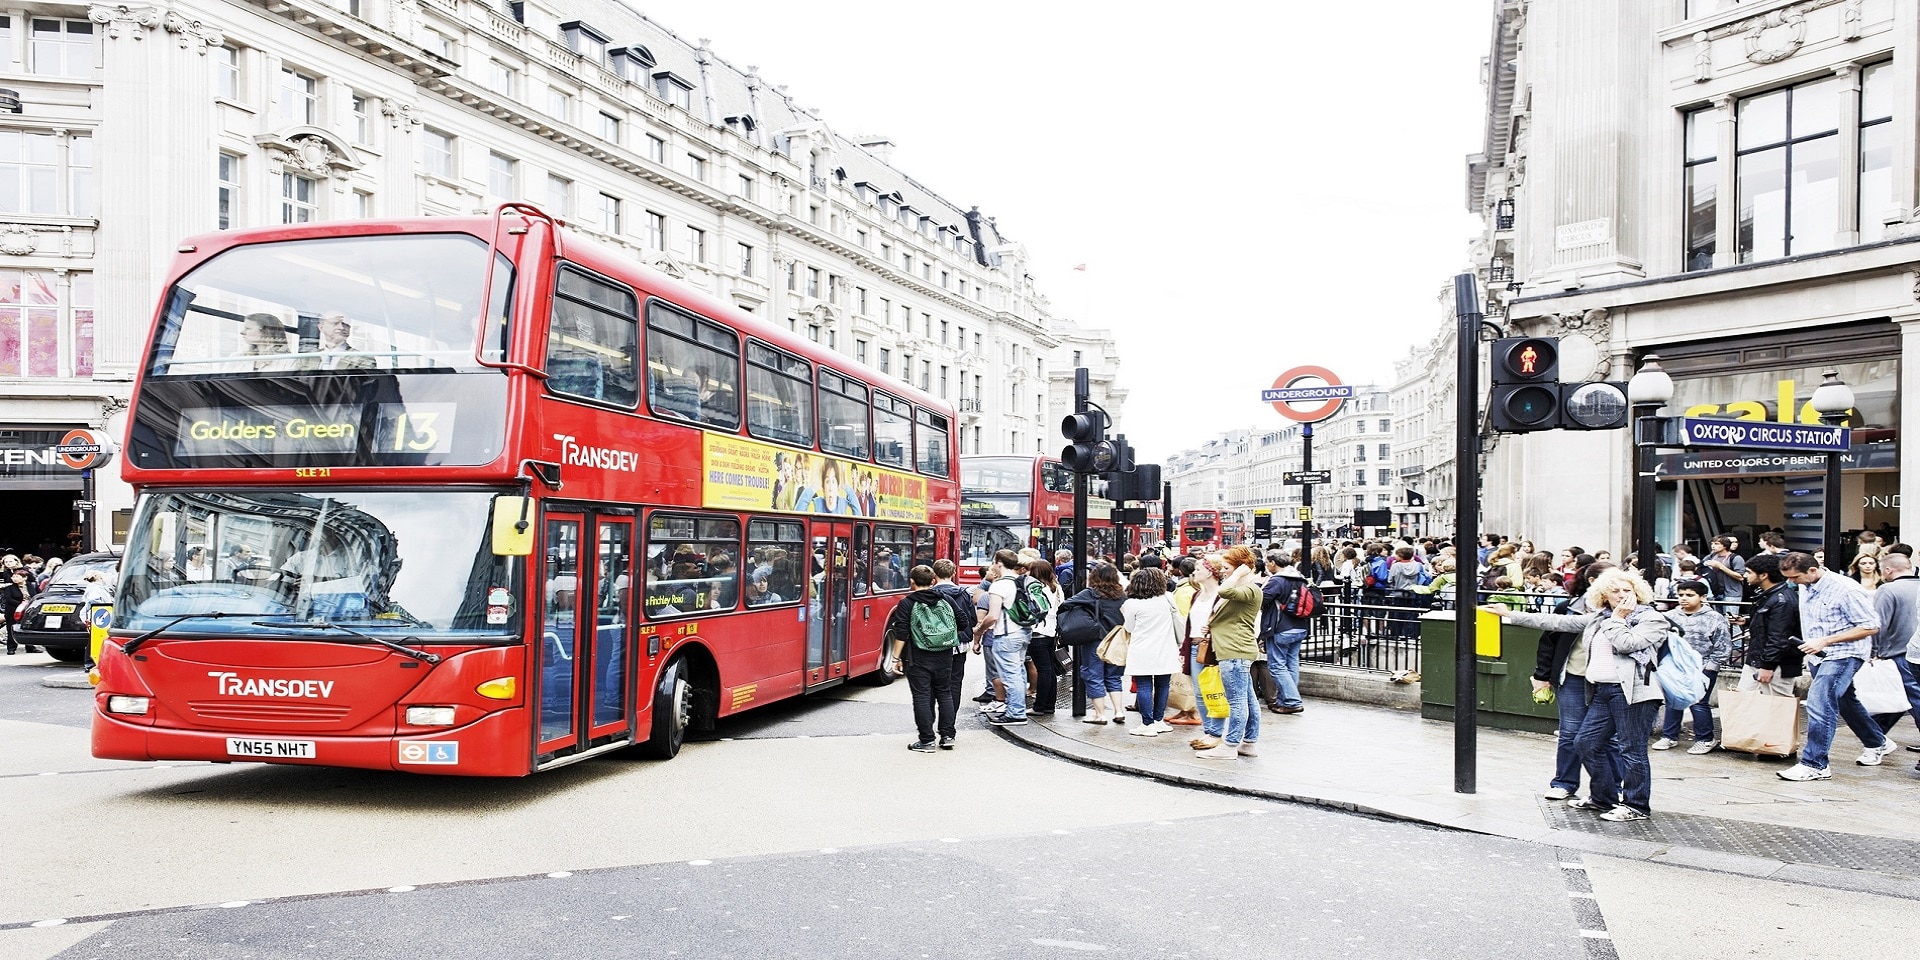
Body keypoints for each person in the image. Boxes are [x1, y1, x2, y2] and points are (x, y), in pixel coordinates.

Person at [1490, 568, 1669, 822]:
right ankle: (1603, 799)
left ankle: (1636, 805)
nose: (1621, 595)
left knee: (1632, 750)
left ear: (1637, 592)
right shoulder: (1599, 618)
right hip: (1601, 690)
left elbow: (1627, 644)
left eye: (1627, 590)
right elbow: (1558, 623)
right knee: (1585, 743)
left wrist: (1618, 618)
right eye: (1615, 591)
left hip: (1633, 693)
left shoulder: (1651, 619)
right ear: (1603, 595)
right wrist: (1510, 615)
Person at [1774, 552, 1897, 782]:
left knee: (1820, 704)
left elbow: (1871, 626)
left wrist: (1825, 641)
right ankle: (1877, 741)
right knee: (1845, 701)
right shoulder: (1805, 584)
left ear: (1812, 570)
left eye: (1795, 577)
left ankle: (1815, 764)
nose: (1791, 582)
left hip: (1845, 654)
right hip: (1817, 655)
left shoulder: (1846, 589)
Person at [885, 565, 962, 753]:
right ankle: (948, 735)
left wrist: (895, 658)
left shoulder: (907, 603)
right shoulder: (946, 599)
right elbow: (963, 621)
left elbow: (901, 633)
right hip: (944, 655)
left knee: (921, 696)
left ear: (912, 582)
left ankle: (927, 741)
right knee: (944, 692)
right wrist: (942, 635)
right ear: (933, 581)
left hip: (917, 656)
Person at [1651, 579, 1733, 755]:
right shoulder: (1671, 616)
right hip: (1674, 666)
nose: (1684, 599)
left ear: (1703, 597)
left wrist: (1710, 667)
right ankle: (1669, 736)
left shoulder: (1714, 618)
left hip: (1703, 666)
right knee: (1673, 700)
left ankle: (1705, 738)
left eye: (1689, 595)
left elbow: (1723, 646)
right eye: (1681, 595)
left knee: (1699, 702)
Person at [1196, 546, 1263, 760]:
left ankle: (1230, 745)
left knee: (1236, 702)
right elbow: (1232, 615)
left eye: (1226, 567)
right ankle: (1249, 743)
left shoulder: (1250, 588)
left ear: (1241, 567)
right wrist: (1213, 626)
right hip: (1235, 649)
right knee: (1248, 701)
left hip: (1234, 651)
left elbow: (1224, 591)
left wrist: (1238, 573)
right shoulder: (1245, 588)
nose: (1223, 571)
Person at [1120, 567, 1182, 737]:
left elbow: (1129, 628)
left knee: (1144, 685)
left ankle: (1147, 724)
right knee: (1163, 685)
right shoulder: (1167, 598)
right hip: (1166, 648)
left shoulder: (1131, 604)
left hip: (1142, 649)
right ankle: (1158, 720)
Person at [1065, 562, 1129, 724]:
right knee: (1114, 676)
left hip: (1096, 640)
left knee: (1093, 675)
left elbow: (1067, 603)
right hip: (1117, 641)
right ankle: (1118, 711)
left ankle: (1099, 715)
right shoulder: (1122, 595)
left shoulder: (1091, 593)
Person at [974, 549, 1030, 727]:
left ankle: (1016, 713)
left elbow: (992, 616)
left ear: (999, 563)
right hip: (1024, 632)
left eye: (993, 562)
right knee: (1019, 673)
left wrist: (979, 631)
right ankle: (1016, 708)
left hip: (1006, 635)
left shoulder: (999, 585)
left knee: (1010, 675)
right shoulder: (1023, 581)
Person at [1868, 552, 1920, 741]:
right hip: (1913, 652)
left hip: (1900, 653)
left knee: (1910, 699)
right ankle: (1875, 738)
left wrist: (1873, 652)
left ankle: (1875, 739)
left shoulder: (1888, 590)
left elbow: (1878, 625)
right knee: (1902, 699)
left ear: (1888, 570)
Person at [1736, 553, 1802, 696]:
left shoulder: (1781, 600)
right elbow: (1771, 625)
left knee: (1777, 707)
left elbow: (1779, 637)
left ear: (1764, 575)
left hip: (1775, 664)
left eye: (1749, 572)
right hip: (1759, 659)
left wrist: (1767, 665)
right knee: (1743, 703)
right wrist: (1747, 620)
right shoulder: (1769, 595)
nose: (1745, 576)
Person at [1260, 552, 1311, 715]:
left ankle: (1292, 701)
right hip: (1300, 626)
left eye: (1268, 562)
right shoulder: (1300, 578)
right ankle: (1285, 701)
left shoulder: (1277, 580)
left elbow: (1261, 599)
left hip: (1280, 627)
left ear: (1273, 563)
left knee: (1276, 666)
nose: (1267, 565)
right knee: (1291, 664)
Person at [1024, 558, 1065, 716]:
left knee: (1044, 669)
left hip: (1037, 631)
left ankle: (1039, 706)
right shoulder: (1056, 588)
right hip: (1051, 631)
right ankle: (1049, 704)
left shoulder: (1037, 588)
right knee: (1049, 669)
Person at [1702, 536, 1747, 603]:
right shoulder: (1711, 556)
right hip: (1715, 593)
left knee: (1729, 613)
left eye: (1716, 544)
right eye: (1712, 544)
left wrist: (1720, 566)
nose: (1713, 546)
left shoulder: (1735, 558)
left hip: (1731, 594)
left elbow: (1740, 577)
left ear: (1725, 546)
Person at [3, 567, 36, 655]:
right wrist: (21, 605)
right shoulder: (9, 587)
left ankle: (30, 646)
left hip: (28, 610)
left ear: (24, 577)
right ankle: (11, 648)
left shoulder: (30, 585)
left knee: (28, 628)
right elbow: (9, 599)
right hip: (13, 611)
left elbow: (36, 595)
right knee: (11, 629)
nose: (15, 578)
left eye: (17, 576)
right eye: (14, 577)